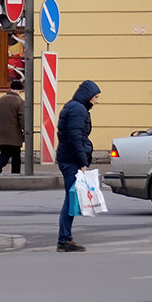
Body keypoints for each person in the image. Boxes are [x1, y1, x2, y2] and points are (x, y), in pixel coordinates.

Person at [56, 79, 99, 253]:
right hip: (71, 160)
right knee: (71, 199)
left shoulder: (75, 107)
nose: (97, 100)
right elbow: (75, 138)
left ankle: (65, 238)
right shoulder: (78, 110)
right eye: (95, 97)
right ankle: (64, 239)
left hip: (68, 158)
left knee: (72, 197)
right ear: (88, 96)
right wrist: (82, 162)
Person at [0, 79, 26, 174]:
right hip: (15, 135)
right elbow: (22, 119)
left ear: (10, 89)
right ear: (20, 90)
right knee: (15, 156)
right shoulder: (20, 102)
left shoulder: (0, 100)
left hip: (1, 134)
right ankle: (14, 174)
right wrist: (26, 131)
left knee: (4, 152)